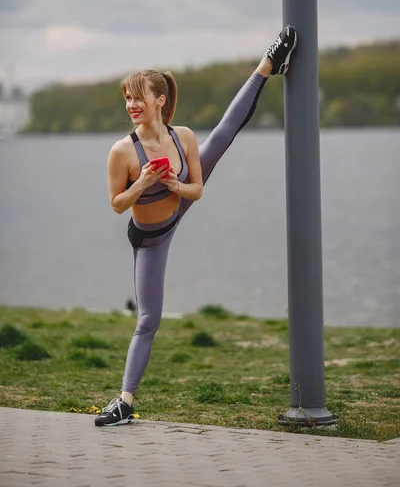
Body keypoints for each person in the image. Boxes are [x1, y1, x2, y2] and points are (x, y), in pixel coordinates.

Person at [95, 25, 298, 427]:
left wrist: (173, 183)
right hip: (151, 239)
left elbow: (197, 191)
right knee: (148, 319)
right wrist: (143, 183)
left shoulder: (182, 137)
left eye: (138, 98)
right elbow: (118, 205)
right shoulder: (122, 151)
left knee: (222, 136)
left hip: (179, 202)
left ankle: (269, 63)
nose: (131, 105)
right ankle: (124, 402)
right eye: (127, 99)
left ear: (160, 100)